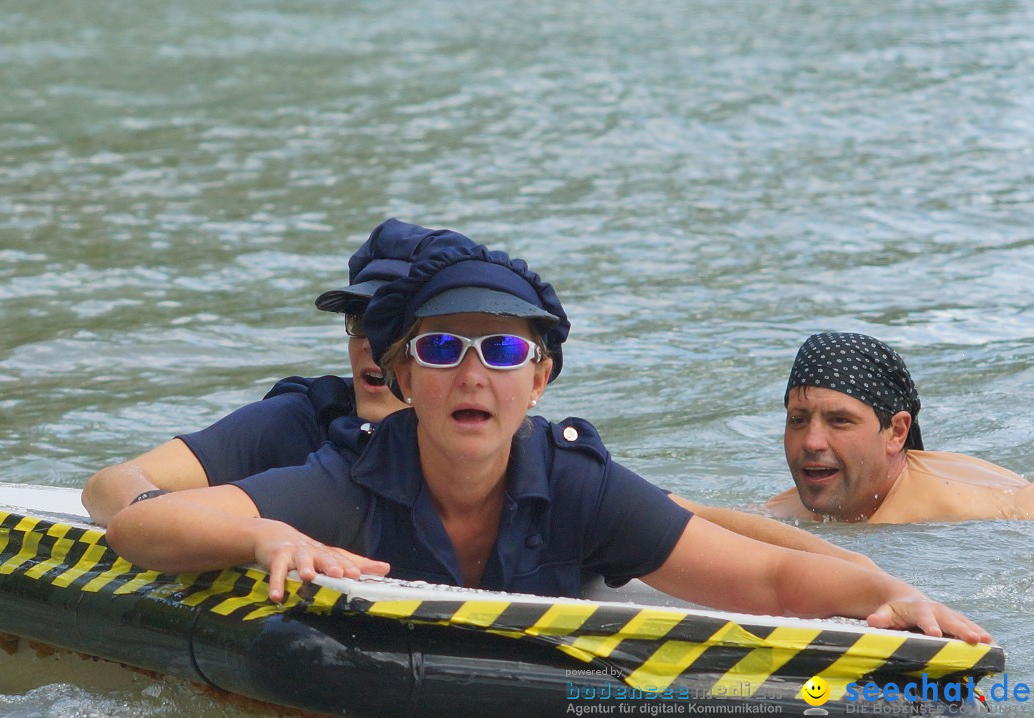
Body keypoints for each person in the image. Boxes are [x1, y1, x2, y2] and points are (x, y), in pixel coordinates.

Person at [105, 244, 990, 644]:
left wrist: (889, 591)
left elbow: (763, 575)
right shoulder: (346, 479)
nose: (474, 374)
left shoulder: (577, 483)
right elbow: (139, 528)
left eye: (504, 350)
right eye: (444, 349)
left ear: (541, 380)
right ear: (406, 376)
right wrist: (263, 535)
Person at [81, 218, 477, 525]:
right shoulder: (299, 420)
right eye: (360, 321)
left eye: (395, 328)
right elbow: (109, 484)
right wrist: (165, 518)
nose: (372, 346)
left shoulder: (507, 447)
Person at [767, 332, 1033, 523]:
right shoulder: (779, 515)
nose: (812, 442)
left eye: (840, 420)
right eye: (798, 420)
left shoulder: (981, 513)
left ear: (896, 432)